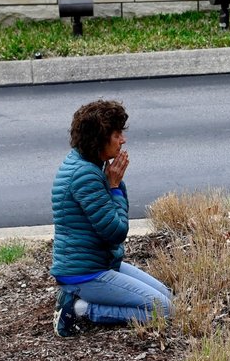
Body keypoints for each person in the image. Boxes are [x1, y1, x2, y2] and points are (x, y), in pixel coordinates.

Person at [50, 99, 172, 337]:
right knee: (165, 311)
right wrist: (114, 186)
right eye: (117, 135)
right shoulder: (85, 175)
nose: (123, 140)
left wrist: (113, 183)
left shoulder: (87, 163)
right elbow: (115, 232)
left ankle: (81, 301)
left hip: (99, 263)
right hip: (85, 273)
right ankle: (79, 308)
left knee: (167, 296)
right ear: (99, 139)